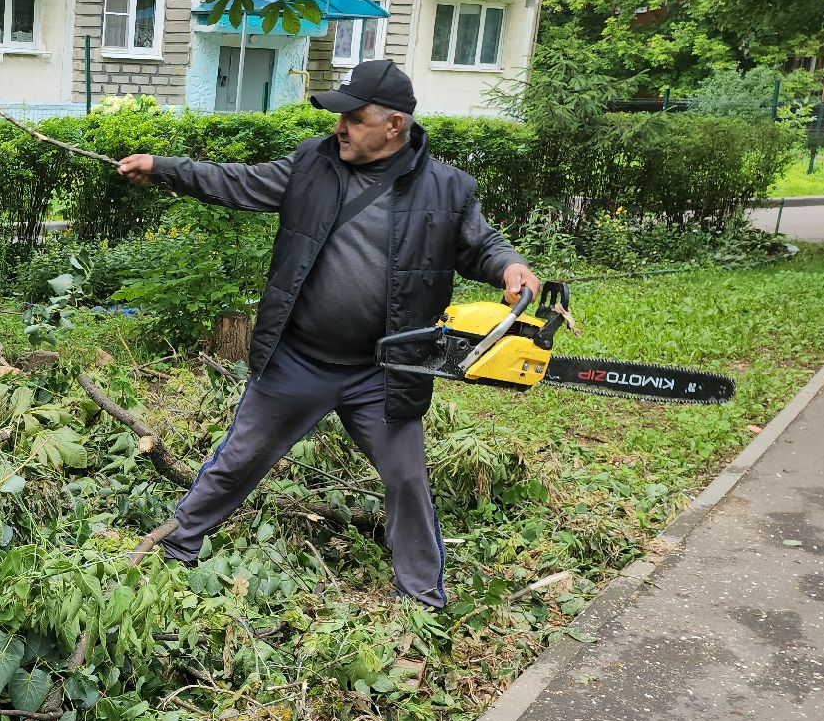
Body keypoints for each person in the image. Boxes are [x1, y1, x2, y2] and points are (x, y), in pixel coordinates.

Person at [116, 59, 538, 608]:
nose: (338, 128)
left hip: (383, 371)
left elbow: (482, 245)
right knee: (238, 458)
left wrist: (510, 267)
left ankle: (423, 600)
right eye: (338, 118)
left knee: (407, 480)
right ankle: (177, 547)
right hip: (298, 359)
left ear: (394, 125)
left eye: (352, 119)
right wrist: (166, 168)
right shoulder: (313, 162)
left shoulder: (448, 189)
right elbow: (238, 182)